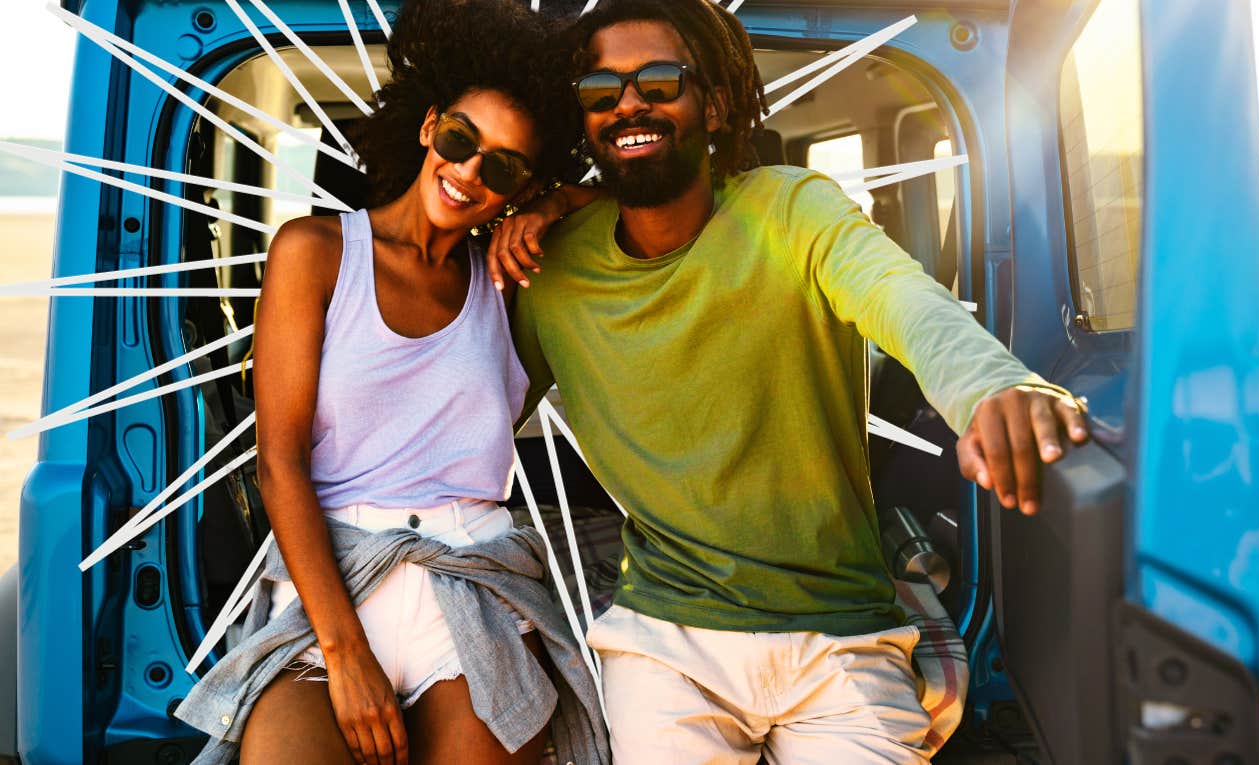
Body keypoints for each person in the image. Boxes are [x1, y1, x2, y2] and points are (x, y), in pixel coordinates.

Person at [486, 0, 1087, 761]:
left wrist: (990, 386)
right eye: (601, 92)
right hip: (664, 639)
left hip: (841, 634)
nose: (629, 103)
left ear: (718, 102)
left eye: (660, 81)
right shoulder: (552, 272)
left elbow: (902, 299)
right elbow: (470, 415)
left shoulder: (792, 209)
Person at [173, 2, 607, 764]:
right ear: (429, 125)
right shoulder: (315, 251)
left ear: (520, 185)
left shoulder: (508, 283)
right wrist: (345, 654)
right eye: (461, 140)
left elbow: (654, 210)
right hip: (332, 584)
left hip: (472, 585)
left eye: (503, 167)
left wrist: (558, 205)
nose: (469, 171)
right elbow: (278, 463)